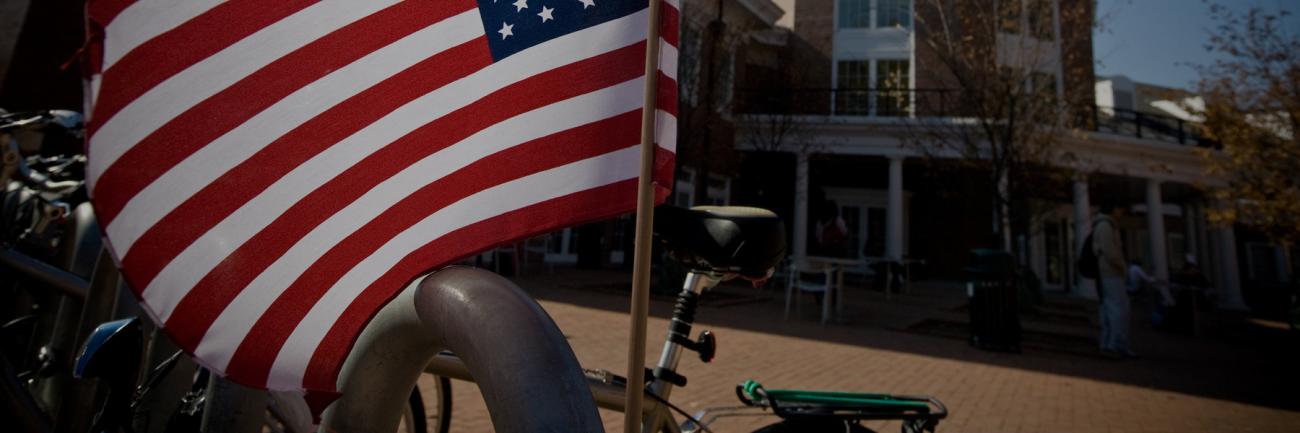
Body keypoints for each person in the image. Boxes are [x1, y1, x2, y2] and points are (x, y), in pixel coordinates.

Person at [1092, 201, 1135, 358]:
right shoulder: (1105, 226)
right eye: (1120, 208)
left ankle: (1111, 343)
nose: (1122, 212)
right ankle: (1115, 344)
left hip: (1109, 273)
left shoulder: (1105, 225)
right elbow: (1110, 252)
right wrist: (1122, 267)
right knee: (1117, 309)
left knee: (1112, 308)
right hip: (1111, 273)